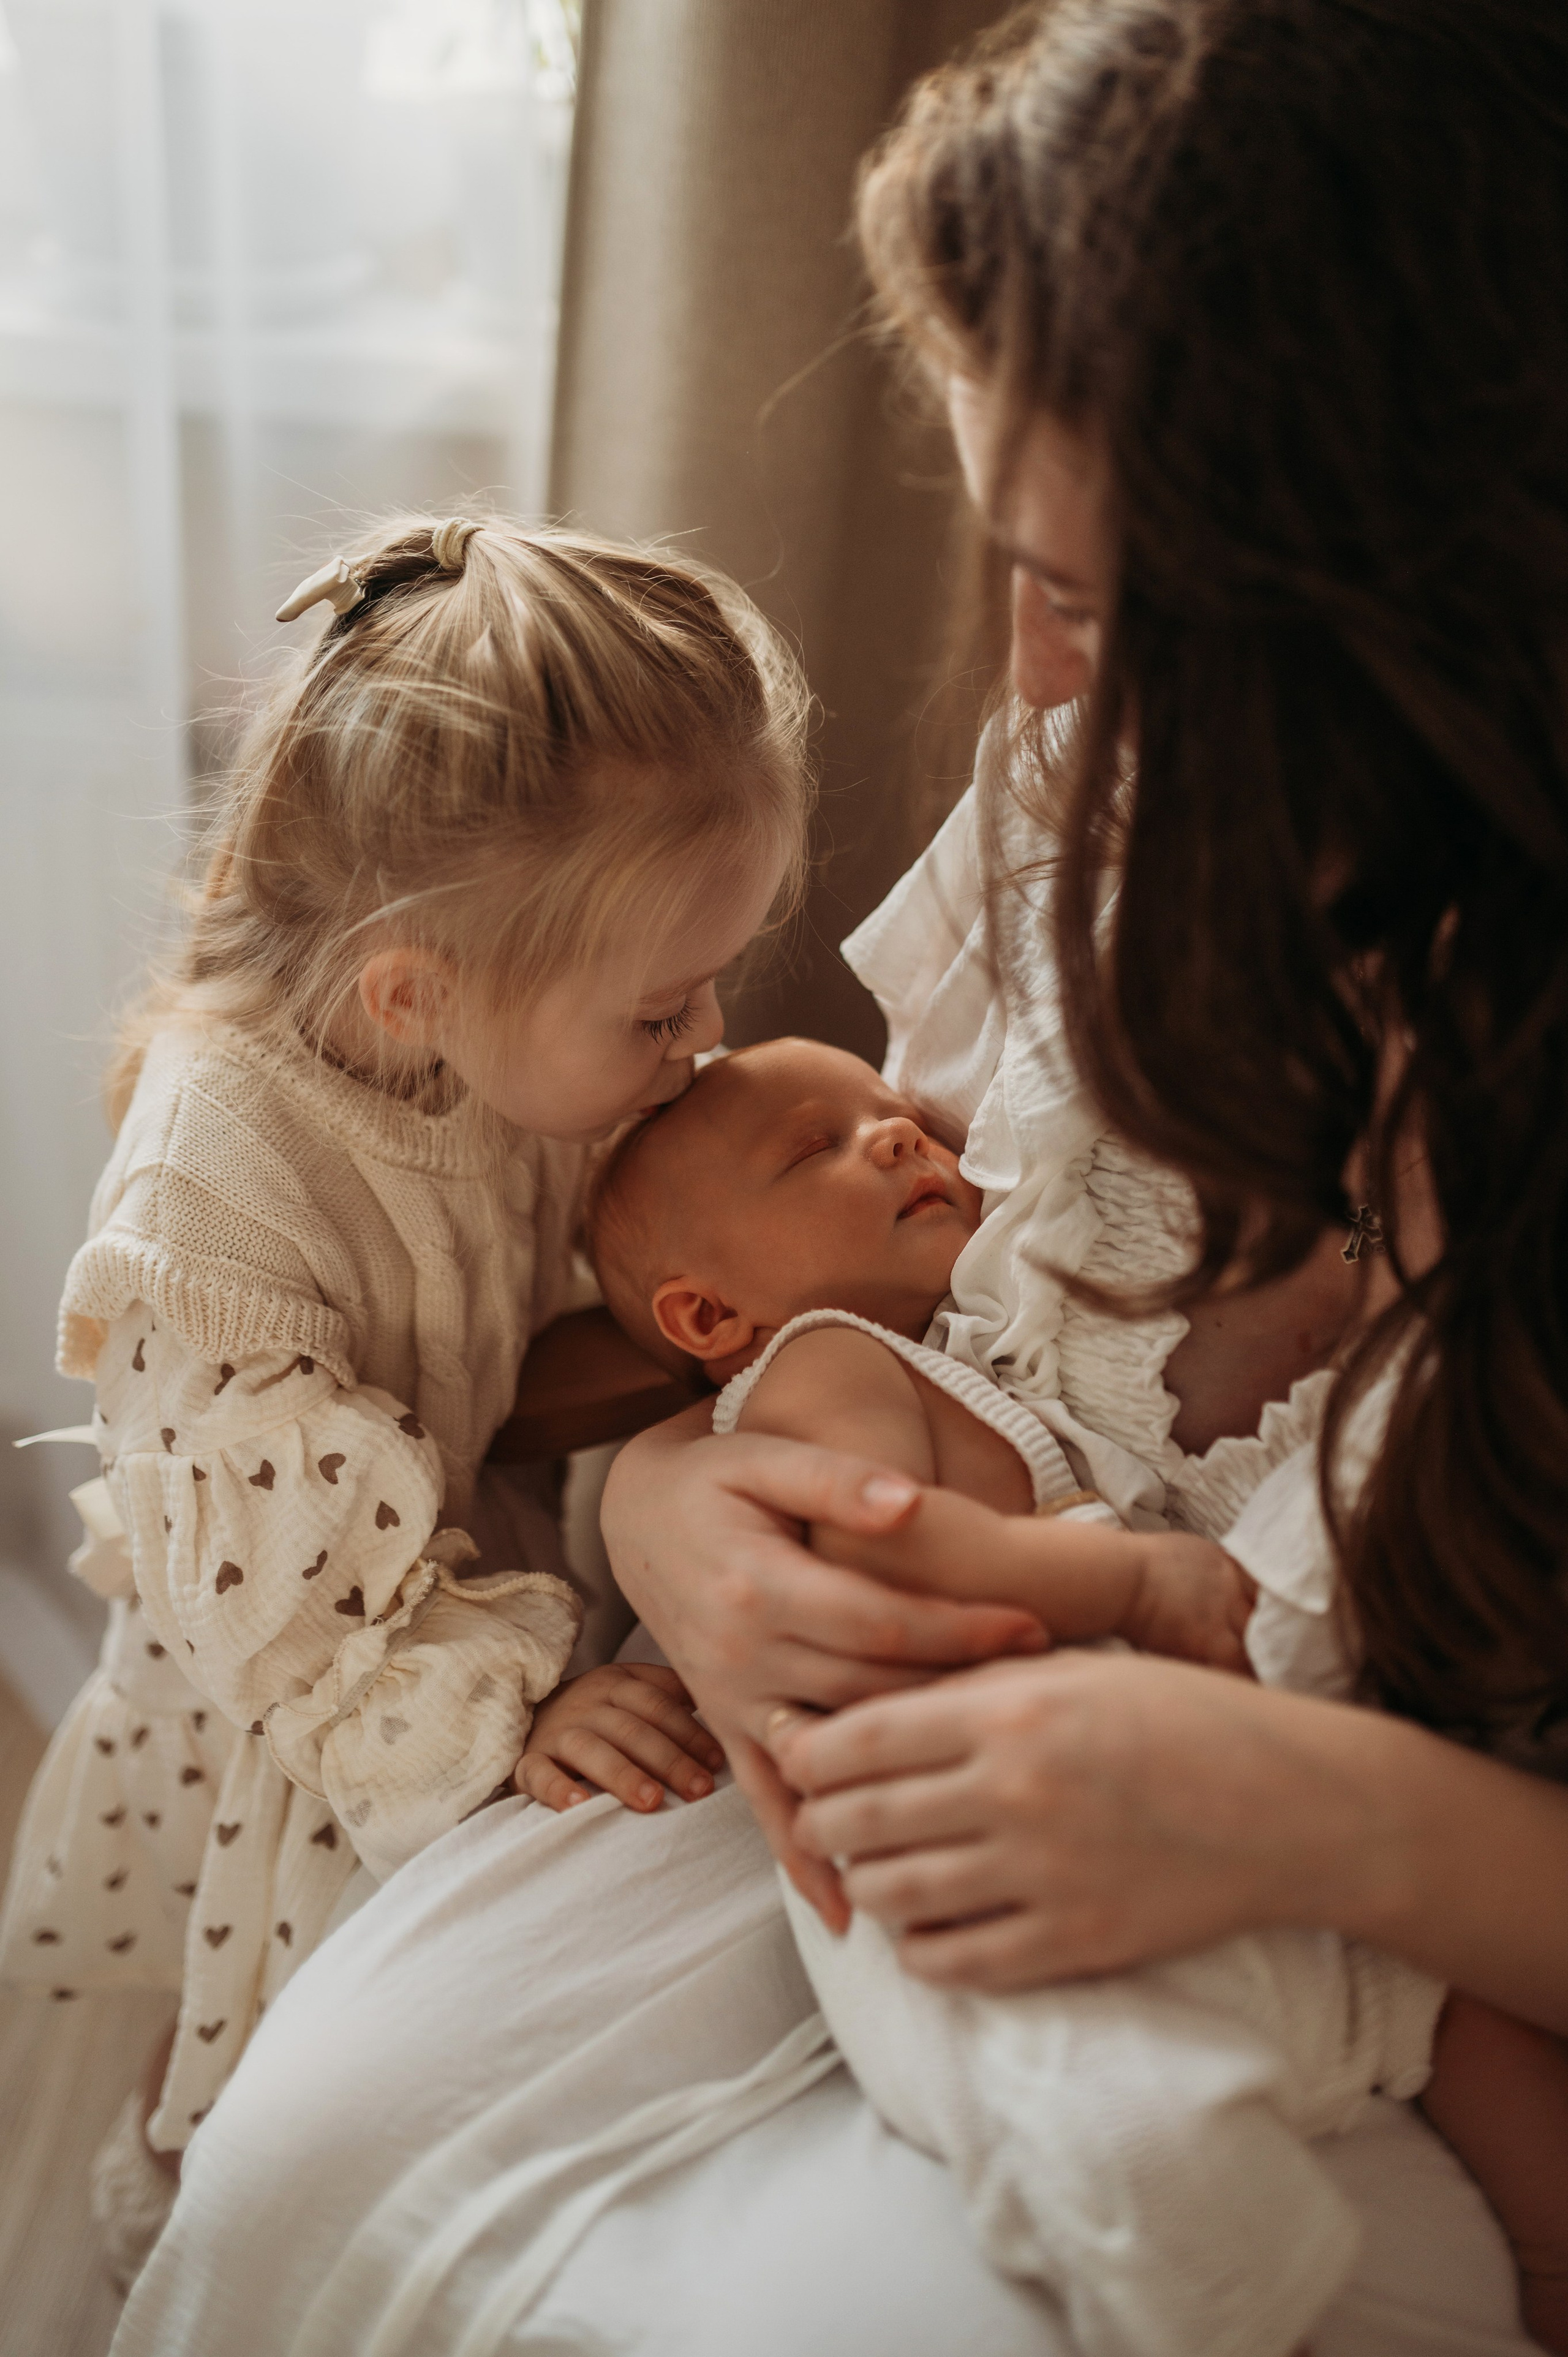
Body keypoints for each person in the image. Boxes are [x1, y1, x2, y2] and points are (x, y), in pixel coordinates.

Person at [106, 4, 1568, 2353]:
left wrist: (1300, 1805)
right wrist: (685, 1514)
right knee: (315, 2152)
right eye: (1021, 568)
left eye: (1097, 595)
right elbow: (820, 1304)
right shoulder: (1088, 817)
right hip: (861, 1769)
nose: (1038, 682)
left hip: (1371, 1946)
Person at [0, 515, 810, 2285]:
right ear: (414, 988)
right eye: (658, 1012)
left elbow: (519, 1341)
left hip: (455, 1568)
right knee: (252, 2042)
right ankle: (176, 2267)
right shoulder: (208, 1201)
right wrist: (509, 1702)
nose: (700, 1041)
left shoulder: (491, 1046)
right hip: (315, 1682)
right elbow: (288, 1605)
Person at [550, 1032, 1562, 2356]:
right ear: (704, 1318)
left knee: (1458, 1996)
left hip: (1163, 1769)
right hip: (963, 1787)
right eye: (815, 1149)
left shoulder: (965, 1344)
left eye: (900, 1115)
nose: (901, 1135)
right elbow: (875, 1539)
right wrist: (1126, 1584)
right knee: (1107, 2101)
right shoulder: (820, 1360)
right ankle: (1243, 2296)